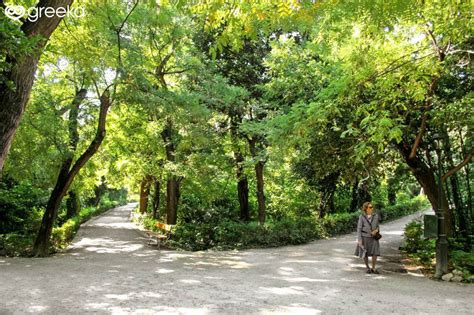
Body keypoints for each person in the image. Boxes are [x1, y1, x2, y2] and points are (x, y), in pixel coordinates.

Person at [354, 201, 381, 274]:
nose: (372, 209)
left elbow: (378, 226)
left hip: (374, 237)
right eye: (370, 207)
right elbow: (359, 229)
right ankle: (367, 267)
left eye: (372, 207)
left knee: (375, 253)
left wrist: (376, 230)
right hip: (364, 237)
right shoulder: (362, 217)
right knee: (365, 253)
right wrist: (359, 239)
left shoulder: (376, 216)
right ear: (366, 208)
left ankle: (373, 268)